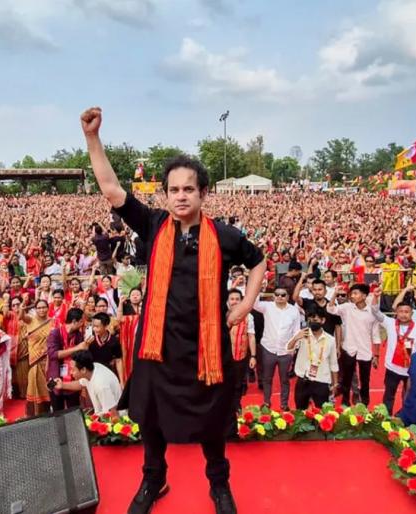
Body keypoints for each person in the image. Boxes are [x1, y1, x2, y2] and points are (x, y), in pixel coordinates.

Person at [82, 106, 265, 514]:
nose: (181, 196)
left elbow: (259, 262)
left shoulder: (225, 236)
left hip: (206, 350)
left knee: (213, 424)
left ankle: (219, 485)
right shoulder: (152, 225)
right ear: (165, 194)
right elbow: (111, 190)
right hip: (157, 347)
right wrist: (92, 138)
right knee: (151, 420)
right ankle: (154, 479)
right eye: (174, 189)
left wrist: (245, 304)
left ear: (203, 193)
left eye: (189, 189)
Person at [370, 291, 416, 415]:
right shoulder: (390, 323)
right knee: (389, 395)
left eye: (407, 312)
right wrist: (376, 297)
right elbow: (375, 312)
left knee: (408, 397)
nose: (403, 314)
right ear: (396, 313)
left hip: (410, 370)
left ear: (412, 313)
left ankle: (405, 417)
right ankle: (386, 417)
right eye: (401, 311)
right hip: (392, 368)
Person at [327, 283, 381, 406]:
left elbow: (376, 335)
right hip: (348, 349)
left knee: (365, 380)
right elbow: (330, 309)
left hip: (365, 351)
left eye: (356, 293)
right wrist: (335, 294)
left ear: (364, 296)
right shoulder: (347, 308)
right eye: (351, 294)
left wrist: (376, 355)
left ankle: (365, 404)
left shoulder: (372, 312)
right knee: (346, 379)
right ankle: (345, 402)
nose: (352, 296)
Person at [254, 287, 301, 411]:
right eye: (277, 294)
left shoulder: (294, 311)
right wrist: (260, 288)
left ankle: (284, 405)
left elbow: (296, 331)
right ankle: (266, 402)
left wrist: (293, 349)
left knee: (284, 380)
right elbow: (254, 303)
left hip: (286, 351)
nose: (280, 297)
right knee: (267, 378)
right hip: (268, 348)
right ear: (273, 296)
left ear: (288, 297)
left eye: (283, 294)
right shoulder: (267, 306)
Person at [287, 310, 339, 409]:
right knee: (300, 412)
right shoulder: (302, 335)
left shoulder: (330, 340)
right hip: (303, 380)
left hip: (322, 381)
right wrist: (296, 338)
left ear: (323, 320)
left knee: (322, 412)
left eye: (315, 320)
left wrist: (335, 383)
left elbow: (333, 363)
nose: (312, 322)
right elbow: (289, 349)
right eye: (310, 320)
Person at [53, 350, 122, 416]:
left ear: (83, 370)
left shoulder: (101, 385)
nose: (70, 372)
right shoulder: (92, 367)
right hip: (101, 414)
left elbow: (113, 412)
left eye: (73, 370)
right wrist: (62, 385)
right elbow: (80, 384)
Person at [46, 307, 87, 412]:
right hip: (55, 375)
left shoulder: (79, 335)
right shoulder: (55, 333)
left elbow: (80, 355)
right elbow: (53, 355)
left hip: (72, 377)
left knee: (74, 410)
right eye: (81, 321)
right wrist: (77, 348)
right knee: (57, 412)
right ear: (74, 321)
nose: (83, 324)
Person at [226, 289, 256, 422]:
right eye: (232, 299)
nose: (234, 302)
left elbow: (251, 337)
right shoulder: (222, 314)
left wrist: (253, 356)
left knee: (238, 383)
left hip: (241, 355)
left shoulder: (248, 316)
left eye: (237, 299)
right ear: (228, 301)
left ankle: (236, 405)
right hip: (224, 357)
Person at [23, 300, 53, 416]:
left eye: (44, 307)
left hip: (48, 359)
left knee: (48, 385)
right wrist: (22, 307)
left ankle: (48, 410)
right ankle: (34, 413)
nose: (41, 310)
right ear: (35, 309)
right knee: (33, 384)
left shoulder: (53, 322)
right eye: (39, 308)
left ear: (48, 308)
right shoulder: (31, 320)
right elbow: (21, 316)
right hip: (34, 360)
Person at [84, 312, 124, 385]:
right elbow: (84, 358)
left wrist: (121, 381)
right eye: (93, 326)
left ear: (106, 326)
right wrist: (86, 345)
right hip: (92, 375)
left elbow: (118, 360)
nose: (94, 329)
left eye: (97, 326)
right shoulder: (90, 339)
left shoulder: (114, 341)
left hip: (107, 374)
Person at [117, 288, 143, 383]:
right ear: (129, 297)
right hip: (128, 340)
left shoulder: (144, 307)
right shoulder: (125, 306)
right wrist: (120, 303)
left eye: (137, 295)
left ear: (142, 297)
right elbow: (119, 319)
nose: (135, 297)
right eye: (133, 295)